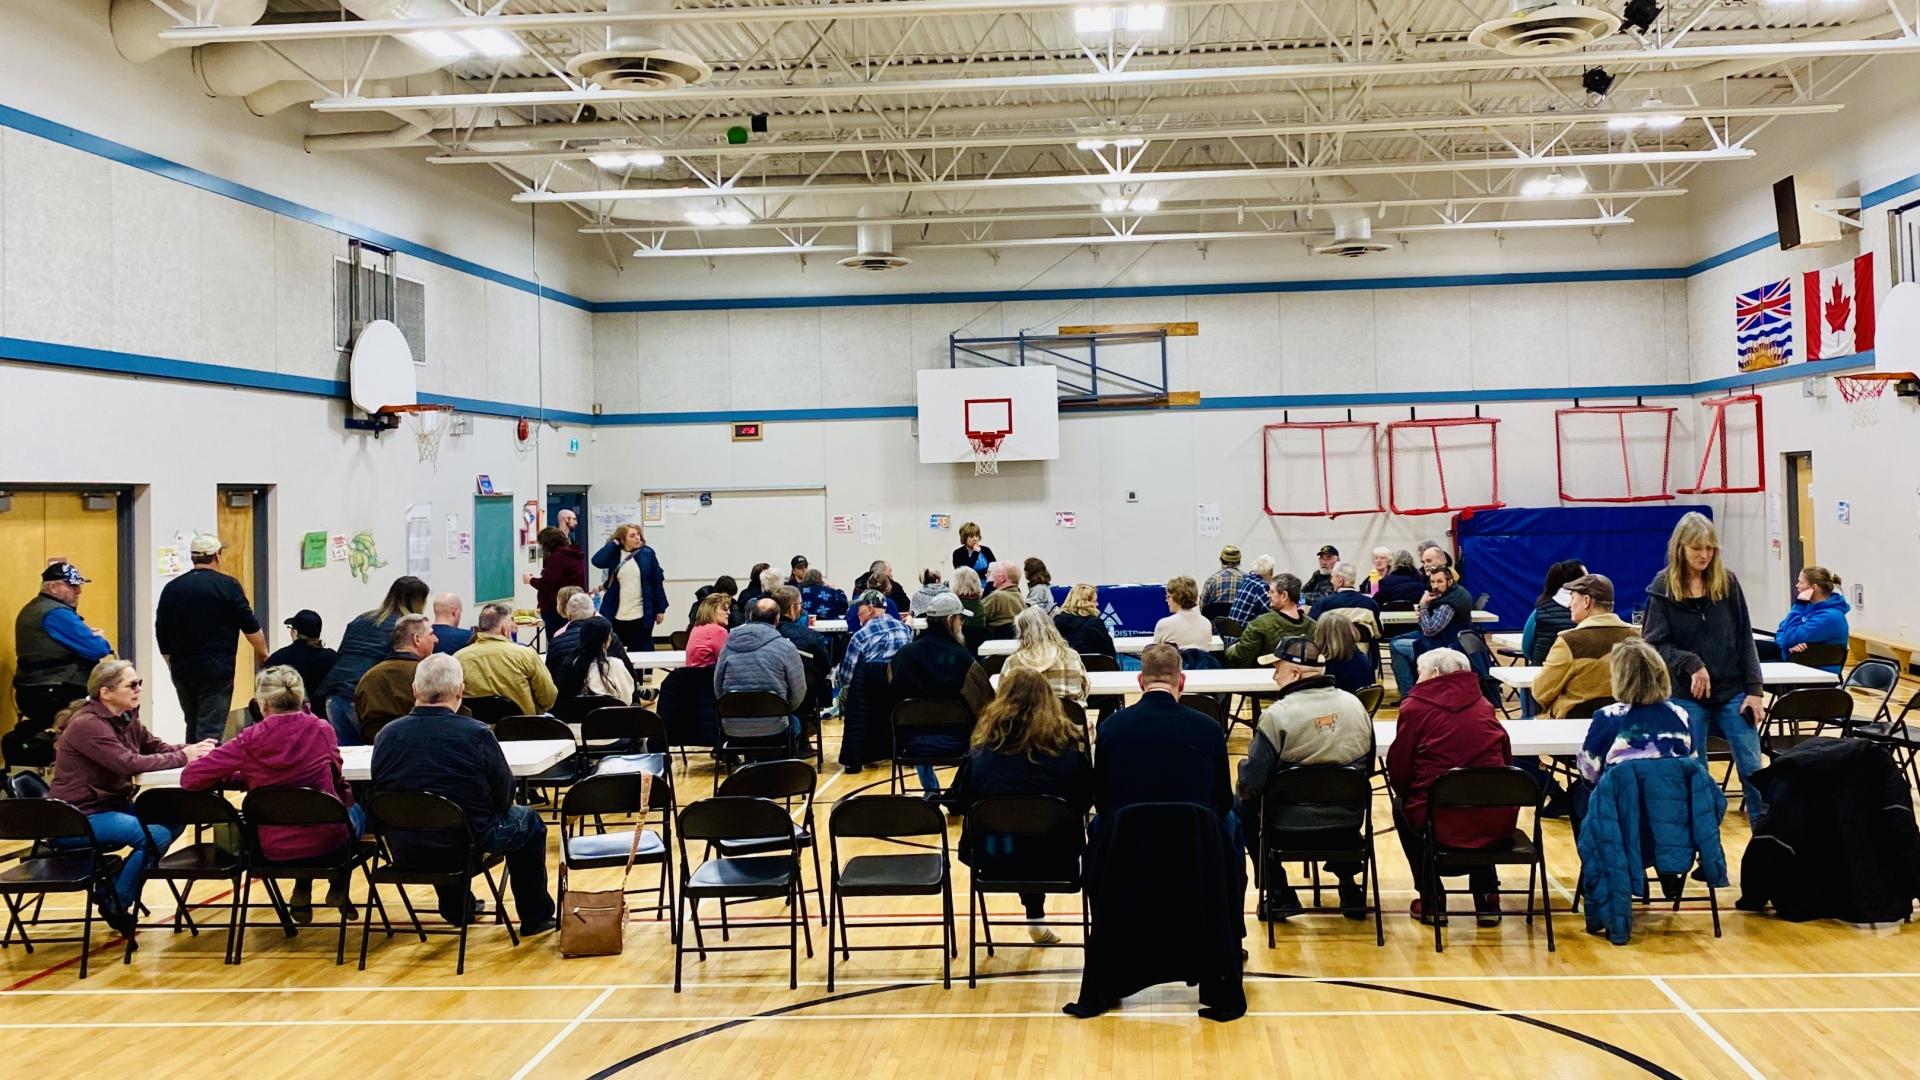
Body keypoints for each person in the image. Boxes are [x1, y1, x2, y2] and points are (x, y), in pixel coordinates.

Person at [370, 655, 555, 937]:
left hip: (404, 845)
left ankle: (457, 908)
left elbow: (380, 788)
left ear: (415, 689)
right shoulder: (477, 733)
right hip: (467, 843)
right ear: (460, 691)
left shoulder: (386, 735)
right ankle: (535, 916)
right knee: (527, 820)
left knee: (436, 818)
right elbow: (504, 795)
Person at [182, 665, 360, 922]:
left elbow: (191, 778)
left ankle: (303, 889)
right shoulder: (322, 729)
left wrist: (249, 778)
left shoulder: (249, 739)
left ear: (262, 704)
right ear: (300, 698)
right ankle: (337, 886)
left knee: (299, 813)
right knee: (351, 810)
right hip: (328, 843)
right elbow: (335, 773)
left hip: (274, 847)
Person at [50, 658, 214, 936]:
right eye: (132, 684)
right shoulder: (88, 725)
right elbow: (128, 763)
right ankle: (116, 901)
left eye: (139, 683)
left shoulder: (126, 719)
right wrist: (183, 757)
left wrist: (195, 749)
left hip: (110, 807)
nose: (139, 689)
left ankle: (111, 888)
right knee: (156, 837)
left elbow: (156, 748)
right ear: (106, 692)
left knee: (175, 817)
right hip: (78, 817)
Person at [946, 667, 1094, 943]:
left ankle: (1035, 916)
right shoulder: (1069, 753)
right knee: (1040, 829)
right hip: (1059, 858)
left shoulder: (979, 755)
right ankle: (1040, 918)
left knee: (1015, 828)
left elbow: (961, 800)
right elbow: (1085, 802)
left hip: (993, 858)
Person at [1234, 638, 1373, 921]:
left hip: (1289, 824)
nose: (1274, 676)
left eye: (1277, 669)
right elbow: (1367, 768)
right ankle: (1349, 886)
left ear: (1295, 674)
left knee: (1241, 806)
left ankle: (1279, 892)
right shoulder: (1356, 705)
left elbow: (1251, 784)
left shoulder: (1277, 715)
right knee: (1340, 786)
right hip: (1347, 822)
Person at [1642, 511, 1768, 821]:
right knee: (1696, 774)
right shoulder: (1662, 587)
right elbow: (1653, 644)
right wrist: (1691, 662)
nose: (1704, 555)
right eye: (1697, 548)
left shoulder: (1727, 583)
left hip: (1734, 691)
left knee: (1753, 768)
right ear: (1681, 548)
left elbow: (1744, 636)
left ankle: (1767, 844)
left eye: (1710, 548)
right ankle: (1705, 851)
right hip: (1686, 695)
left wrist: (1755, 690)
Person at [1384, 648, 1514, 926]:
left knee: (1401, 807)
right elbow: (1505, 757)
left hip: (1438, 819)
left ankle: (1432, 898)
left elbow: (1400, 771)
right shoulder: (1483, 705)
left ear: (1434, 674)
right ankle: (1487, 895)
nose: (1416, 677)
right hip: (1494, 821)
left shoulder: (1414, 709)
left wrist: (1406, 791)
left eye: (1419, 672)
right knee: (1481, 799)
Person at [1091, 645, 1232, 820]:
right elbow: (1224, 801)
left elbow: (1101, 800)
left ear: (1140, 681)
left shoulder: (1110, 727)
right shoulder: (1210, 728)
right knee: (1230, 821)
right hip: (1195, 837)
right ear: (1182, 681)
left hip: (1127, 837)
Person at [155, 534, 268, 743]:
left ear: (192, 558)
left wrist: (171, 663)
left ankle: (192, 769)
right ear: (217, 555)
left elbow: (161, 631)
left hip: (183, 669)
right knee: (210, 730)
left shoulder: (172, 588)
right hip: (217, 669)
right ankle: (207, 772)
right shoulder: (228, 586)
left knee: (193, 723)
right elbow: (250, 626)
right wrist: (263, 653)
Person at [887, 593, 994, 797]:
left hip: (910, 742)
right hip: (958, 741)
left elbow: (891, 697)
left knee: (914, 718)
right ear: (950, 620)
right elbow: (986, 704)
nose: (963, 623)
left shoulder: (903, 656)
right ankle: (958, 792)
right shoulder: (963, 659)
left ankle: (931, 790)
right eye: (961, 618)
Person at [11, 561, 113, 763]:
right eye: (72, 586)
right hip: (55, 690)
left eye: (79, 585)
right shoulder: (56, 613)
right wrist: (98, 638)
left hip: (35, 689)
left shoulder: (35, 609)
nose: (78, 591)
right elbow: (98, 649)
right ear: (53, 587)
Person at [317, 575, 430, 745]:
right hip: (361, 698)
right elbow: (396, 668)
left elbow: (342, 654)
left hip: (334, 694)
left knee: (348, 760)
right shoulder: (402, 627)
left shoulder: (362, 619)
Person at [1577, 638, 1694, 787]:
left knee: (1577, 794)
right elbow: (1691, 763)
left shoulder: (1608, 718)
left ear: (1619, 678)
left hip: (1621, 803)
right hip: (1673, 802)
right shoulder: (1681, 715)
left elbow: (1589, 773)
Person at [1533, 574, 1640, 719]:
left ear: (1586, 601)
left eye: (1572, 598)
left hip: (1571, 725)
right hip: (1625, 725)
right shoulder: (1637, 639)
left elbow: (1542, 692)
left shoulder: (1569, 642)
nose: (1569, 605)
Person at [714, 597, 809, 736]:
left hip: (733, 726)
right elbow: (799, 691)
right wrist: (784, 708)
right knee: (795, 724)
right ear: (777, 619)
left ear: (751, 616)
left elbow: (718, 686)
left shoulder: (727, 645)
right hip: (775, 726)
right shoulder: (786, 647)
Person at [458, 602, 558, 716]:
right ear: (505, 628)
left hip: (475, 729)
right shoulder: (526, 655)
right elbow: (548, 697)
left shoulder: (459, 658)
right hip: (520, 729)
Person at [1388, 565, 1474, 696]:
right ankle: (1412, 687)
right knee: (1396, 639)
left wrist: (1423, 607)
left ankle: (1409, 693)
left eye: (1440, 581)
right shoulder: (1456, 592)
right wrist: (1424, 613)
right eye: (1433, 581)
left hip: (1444, 644)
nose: (1435, 586)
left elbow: (1429, 630)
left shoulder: (1448, 604)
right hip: (1448, 637)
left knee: (1395, 646)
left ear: (1449, 581)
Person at [352, 614, 438, 739]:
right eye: (431, 634)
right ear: (417, 639)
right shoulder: (429, 675)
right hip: (420, 749)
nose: (436, 639)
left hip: (378, 750)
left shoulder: (368, 677)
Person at [591, 523, 668, 652]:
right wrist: (614, 542)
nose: (637, 538)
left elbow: (656, 582)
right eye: (632, 536)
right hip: (616, 612)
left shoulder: (647, 553)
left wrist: (660, 609)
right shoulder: (614, 554)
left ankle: (643, 673)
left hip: (641, 612)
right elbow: (597, 561)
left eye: (638, 534)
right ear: (622, 539)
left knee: (641, 648)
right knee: (617, 650)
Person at [1765, 565, 1850, 672]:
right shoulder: (1809, 607)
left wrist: (1799, 605)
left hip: (1816, 672)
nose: (1797, 585)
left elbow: (1789, 636)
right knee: (1753, 651)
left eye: (1801, 582)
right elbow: (1782, 628)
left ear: (1813, 587)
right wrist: (1788, 646)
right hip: (1797, 663)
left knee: (1752, 672)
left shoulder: (1830, 617)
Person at [834, 591, 915, 701]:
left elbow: (847, 677)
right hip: (899, 699)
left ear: (870, 609)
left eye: (859, 608)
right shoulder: (904, 630)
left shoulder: (860, 637)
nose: (857, 612)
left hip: (869, 701)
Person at [1224, 574, 1315, 668]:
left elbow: (1240, 659)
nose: (1267, 595)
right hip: (1301, 679)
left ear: (1284, 595)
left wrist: (1230, 648)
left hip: (1264, 679)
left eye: (1272, 592)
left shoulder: (1260, 624)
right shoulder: (1313, 626)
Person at [1002, 606, 1090, 703]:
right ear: (1051, 627)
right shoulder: (1072, 657)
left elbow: (1002, 697)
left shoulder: (1012, 663)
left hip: (1027, 717)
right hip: (1070, 716)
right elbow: (1085, 688)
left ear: (1021, 633)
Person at [773, 585, 833, 713]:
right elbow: (825, 667)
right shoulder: (812, 637)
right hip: (805, 700)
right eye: (800, 604)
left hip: (772, 697)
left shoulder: (766, 635)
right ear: (793, 608)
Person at [546, 591, 630, 681]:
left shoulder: (555, 643)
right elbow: (629, 671)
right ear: (594, 614)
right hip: (607, 692)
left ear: (569, 616)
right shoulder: (609, 637)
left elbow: (549, 676)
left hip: (567, 693)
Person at [263, 610, 337, 712]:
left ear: (295, 632)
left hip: (287, 721)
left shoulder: (278, 658)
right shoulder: (332, 658)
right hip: (323, 720)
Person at [553, 617, 635, 705]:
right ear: (606, 640)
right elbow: (626, 700)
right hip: (612, 717)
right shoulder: (614, 665)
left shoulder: (570, 664)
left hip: (577, 717)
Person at [523, 526, 587, 638]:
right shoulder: (573, 555)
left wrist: (530, 580)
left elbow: (547, 584)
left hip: (556, 608)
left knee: (556, 640)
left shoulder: (558, 558)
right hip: (574, 605)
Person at [1525, 559, 1588, 665]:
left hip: (1541, 670)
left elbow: (1527, 647)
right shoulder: (1588, 610)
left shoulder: (1542, 606)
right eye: (1587, 578)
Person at [1313, 615, 1376, 695]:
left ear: (1320, 634)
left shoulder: (1325, 666)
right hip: (1360, 705)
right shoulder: (1361, 658)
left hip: (1338, 704)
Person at [1308, 562, 1381, 628]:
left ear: (1340, 581)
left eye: (1332, 577)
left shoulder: (1323, 604)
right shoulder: (1372, 604)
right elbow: (1378, 632)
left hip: (1333, 642)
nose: (1331, 581)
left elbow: (1311, 627)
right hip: (1363, 643)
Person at [1054, 583, 1116, 660]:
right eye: (1094, 601)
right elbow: (1110, 654)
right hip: (1094, 669)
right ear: (1086, 603)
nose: (1097, 604)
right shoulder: (1095, 623)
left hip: (1067, 669)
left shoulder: (1055, 622)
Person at [1153, 575, 1214, 651]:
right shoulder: (1206, 623)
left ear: (1176, 597)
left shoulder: (1164, 624)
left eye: (1168, 596)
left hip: (1174, 662)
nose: (1166, 600)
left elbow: (1155, 655)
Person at [1227, 554, 1277, 626]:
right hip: (1244, 633)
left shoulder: (1246, 580)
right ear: (1269, 572)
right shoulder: (1261, 586)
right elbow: (1271, 611)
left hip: (1231, 631)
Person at [685, 593, 731, 668]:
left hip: (691, 676)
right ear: (712, 611)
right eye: (725, 609)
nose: (729, 612)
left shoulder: (696, 628)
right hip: (708, 677)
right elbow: (726, 660)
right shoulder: (719, 631)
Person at [980, 562, 1027, 626]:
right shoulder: (1020, 597)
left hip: (995, 634)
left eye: (995, 574)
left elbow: (978, 616)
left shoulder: (996, 597)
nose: (993, 577)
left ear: (1002, 578)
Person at [1201, 545, 1244, 612]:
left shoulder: (1211, 580)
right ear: (1239, 561)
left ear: (1221, 560)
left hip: (1216, 621)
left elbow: (1203, 608)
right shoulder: (1248, 580)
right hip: (1241, 621)